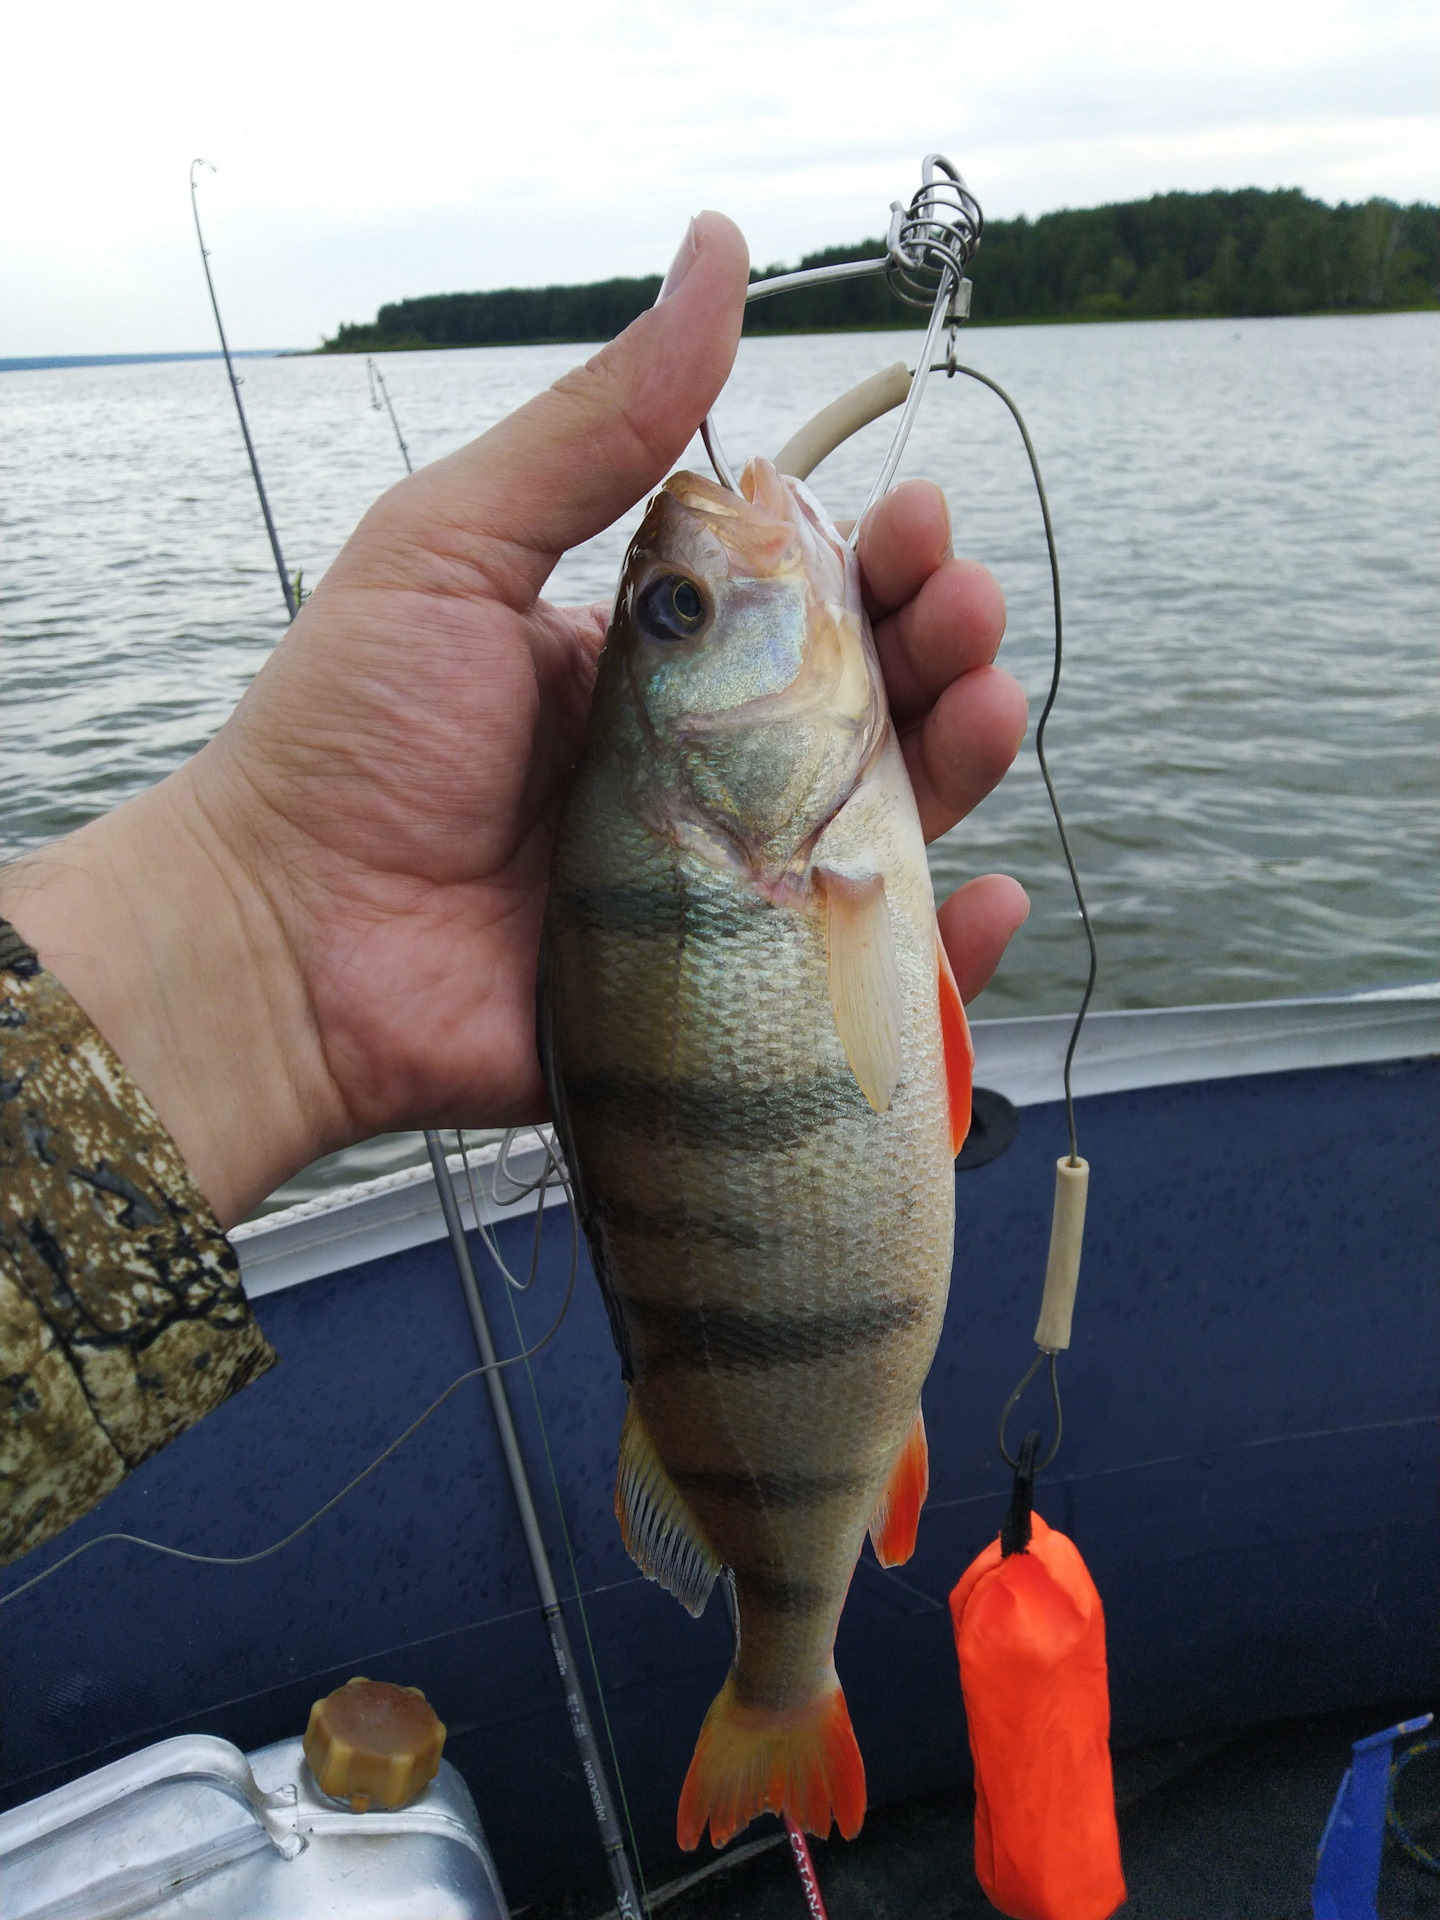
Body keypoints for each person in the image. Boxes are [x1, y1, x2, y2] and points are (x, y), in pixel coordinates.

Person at [0, 213, 1029, 1564]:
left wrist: (261, 915)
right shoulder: (793, 834)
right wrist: (262, 907)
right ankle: (795, 1645)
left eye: (675, 613)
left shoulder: (794, 838)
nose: (694, 593)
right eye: (685, 616)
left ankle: (793, 1615)